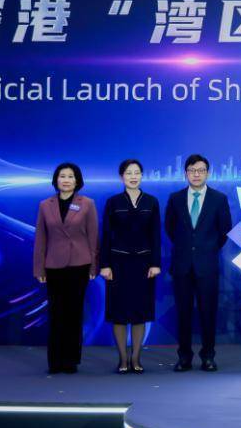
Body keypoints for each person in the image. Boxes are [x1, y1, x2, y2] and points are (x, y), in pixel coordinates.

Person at [164, 154, 232, 372]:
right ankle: (184, 357)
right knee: (183, 313)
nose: (196, 174)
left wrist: (207, 249)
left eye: (201, 170)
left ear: (207, 173)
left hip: (207, 265)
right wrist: (187, 248)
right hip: (182, 265)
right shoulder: (175, 198)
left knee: (208, 313)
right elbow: (170, 228)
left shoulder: (219, 199)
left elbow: (224, 231)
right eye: (192, 170)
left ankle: (208, 356)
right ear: (186, 173)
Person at [32, 162, 98, 374]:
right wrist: (39, 269)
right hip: (54, 266)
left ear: (77, 181)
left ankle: (70, 360)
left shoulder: (87, 204)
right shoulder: (45, 205)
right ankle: (55, 360)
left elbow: (93, 237)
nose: (66, 180)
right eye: (62, 176)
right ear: (56, 180)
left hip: (79, 265)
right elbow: (41, 239)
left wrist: (94, 267)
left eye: (70, 176)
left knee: (74, 314)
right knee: (56, 313)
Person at [100, 159, 161, 374]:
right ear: (121, 177)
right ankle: (123, 359)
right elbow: (106, 235)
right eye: (129, 173)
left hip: (143, 265)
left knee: (139, 312)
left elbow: (155, 235)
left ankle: (136, 358)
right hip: (117, 264)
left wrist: (155, 263)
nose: (133, 177)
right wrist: (105, 265)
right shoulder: (113, 202)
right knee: (119, 312)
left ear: (142, 176)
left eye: (137, 173)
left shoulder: (152, 202)